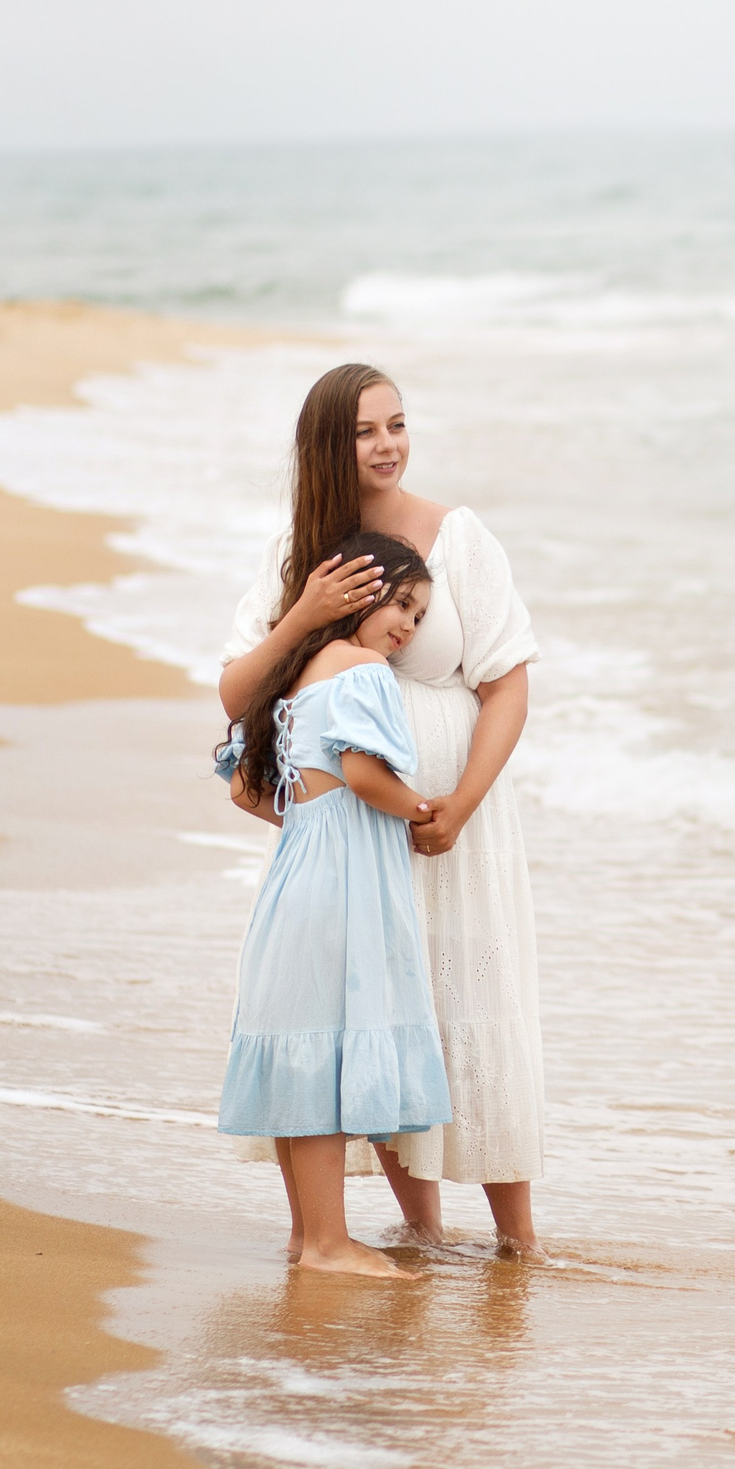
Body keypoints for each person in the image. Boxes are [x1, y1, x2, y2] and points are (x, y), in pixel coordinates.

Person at [220, 362, 546, 1255]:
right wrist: (306, 611)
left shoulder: (457, 538)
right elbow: (237, 692)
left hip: (451, 810)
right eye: (367, 431)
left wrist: (463, 804)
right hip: (362, 827)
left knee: (475, 998)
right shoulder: (299, 553)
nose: (389, 444)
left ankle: (520, 1242)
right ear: (328, 445)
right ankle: (423, 1234)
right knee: (388, 1010)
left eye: (398, 424)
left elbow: (509, 684)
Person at [219, 532, 447, 1281]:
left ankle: (306, 1233)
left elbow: (247, 789)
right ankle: (328, 1244)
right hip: (343, 883)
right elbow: (361, 769)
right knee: (327, 1048)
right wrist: (420, 809)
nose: (408, 627)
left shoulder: (294, 679)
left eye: (419, 615)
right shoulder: (363, 669)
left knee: (303, 1040)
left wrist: (316, 824)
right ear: (360, 592)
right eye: (402, 604)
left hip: (296, 877)